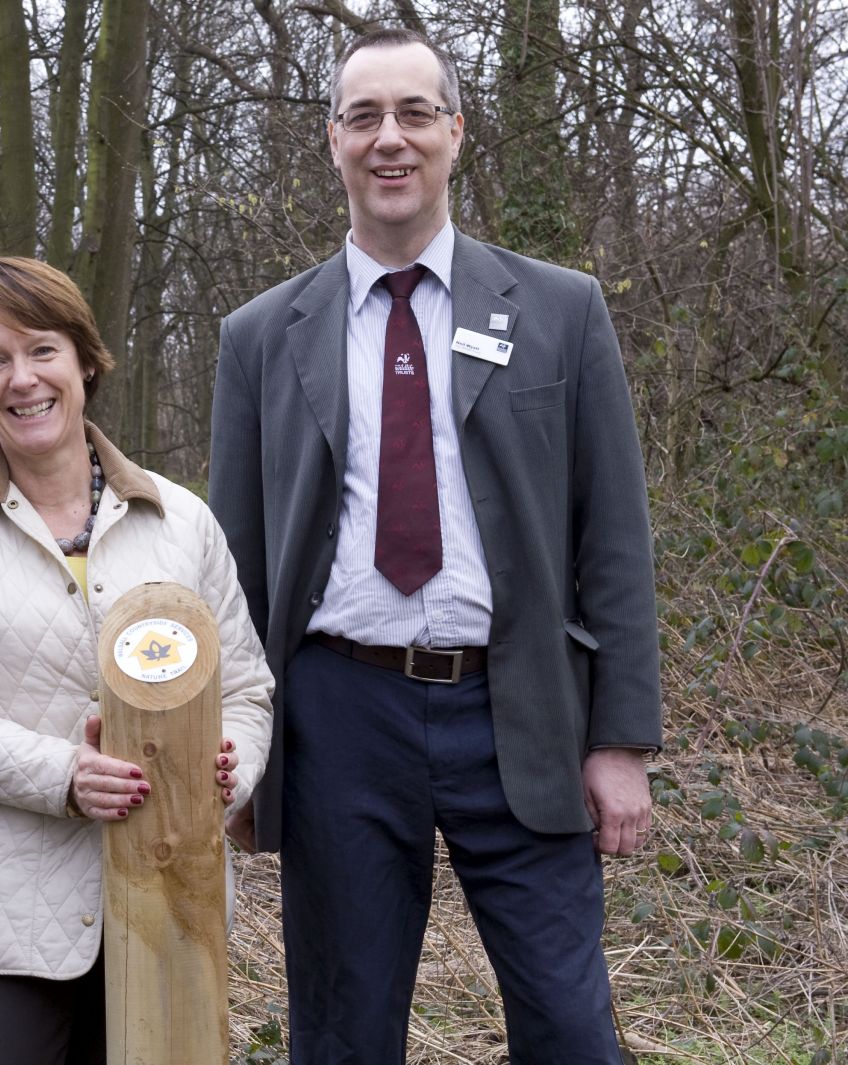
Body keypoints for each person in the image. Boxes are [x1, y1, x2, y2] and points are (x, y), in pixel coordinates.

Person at [207, 28, 662, 1065]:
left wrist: (621, 741)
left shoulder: (561, 311)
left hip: (522, 710)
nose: (389, 139)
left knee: (571, 1031)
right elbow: (231, 565)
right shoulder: (260, 337)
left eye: (414, 113)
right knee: (344, 1034)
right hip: (339, 718)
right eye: (363, 117)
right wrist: (240, 756)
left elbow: (615, 542)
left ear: (456, 132)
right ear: (332, 141)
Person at [0, 257, 273, 1064]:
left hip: (170, 902)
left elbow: (248, 689)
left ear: (84, 358)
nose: (23, 379)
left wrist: (234, 763)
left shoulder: (180, 518)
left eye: (42, 350)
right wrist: (64, 774)